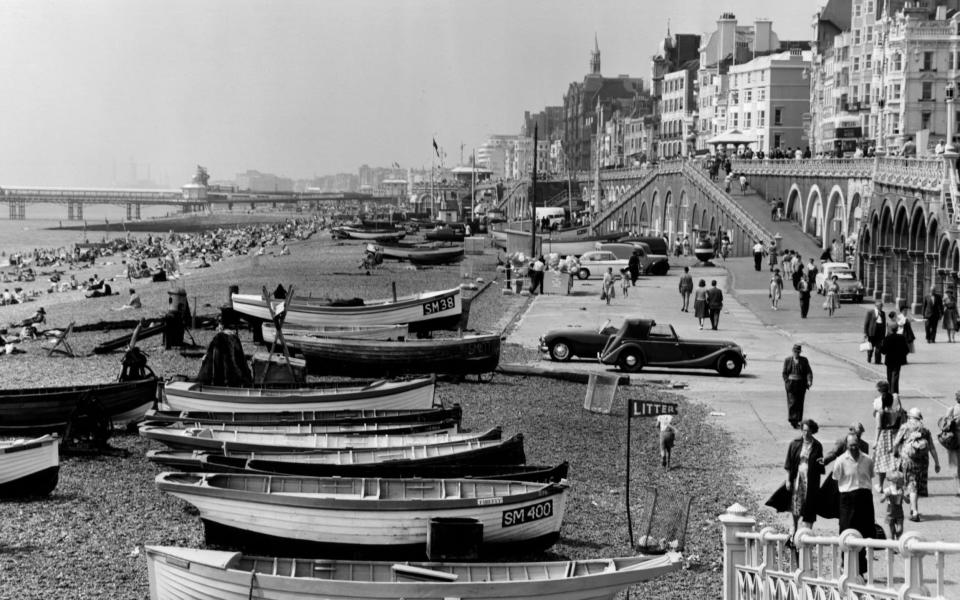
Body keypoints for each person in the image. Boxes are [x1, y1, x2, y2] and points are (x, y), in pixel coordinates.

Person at [832, 432, 876, 577]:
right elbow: (836, 478)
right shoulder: (840, 461)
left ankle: (861, 571)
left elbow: (870, 476)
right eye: (851, 446)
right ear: (847, 446)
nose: (854, 448)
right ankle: (846, 567)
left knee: (864, 533)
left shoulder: (868, 460)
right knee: (847, 532)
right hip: (847, 498)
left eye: (856, 445)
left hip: (864, 497)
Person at [893, 408, 941, 522]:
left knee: (911, 486)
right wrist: (937, 463)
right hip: (922, 462)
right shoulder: (925, 430)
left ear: (909, 417)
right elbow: (932, 448)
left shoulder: (905, 427)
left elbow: (896, 443)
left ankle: (914, 512)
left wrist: (895, 453)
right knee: (915, 486)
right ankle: (913, 508)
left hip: (908, 461)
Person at [784, 419, 824, 539]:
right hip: (797, 477)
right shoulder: (795, 444)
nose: (805, 433)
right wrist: (788, 479)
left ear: (813, 431)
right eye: (803, 430)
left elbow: (820, 466)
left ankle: (807, 530)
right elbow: (789, 464)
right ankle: (794, 527)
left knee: (810, 504)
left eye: (808, 430)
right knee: (796, 501)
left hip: (811, 479)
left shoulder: (817, 446)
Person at [872, 380, 903, 489]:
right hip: (896, 434)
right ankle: (895, 484)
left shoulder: (878, 405)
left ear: (879, 390)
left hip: (884, 436)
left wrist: (875, 441)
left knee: (881, 460)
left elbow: (878, 427)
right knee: (896, 461)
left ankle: (880, 485)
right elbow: (901, 410)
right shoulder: (896, 398)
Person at [782, 344, 813, 428]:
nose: (796, 353)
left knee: (799, 402)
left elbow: (808, 372)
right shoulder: (787, 360)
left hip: (801, 384)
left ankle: (798, 419)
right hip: (791, 384)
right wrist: (787, 382)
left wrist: (809, 380)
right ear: (793, 351)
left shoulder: (804, 360)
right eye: (795, 352)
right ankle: (793, 420)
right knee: (792, 402)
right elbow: (784, 373)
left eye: (798, 352)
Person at [881, 319, 909, 394]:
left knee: (889, 376)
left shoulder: (887, 338)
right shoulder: (901, 338)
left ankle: (890, 391)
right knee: (895, 376)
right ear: (897, 329)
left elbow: (883, 351)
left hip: (889, 360)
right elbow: (906, 350)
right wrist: (902, 355)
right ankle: (895, 392)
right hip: (898, 360)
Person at [879, 471, 906, 541]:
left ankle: (897, 537)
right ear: (896, 481)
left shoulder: (901, 490)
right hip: (890, 513)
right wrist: (885, 496)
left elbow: (908, 501)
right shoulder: (888, 490)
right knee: (892, 531)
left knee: (900, 530)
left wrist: (903, 496)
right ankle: (892, 547)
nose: (904, 482)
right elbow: (881, 500)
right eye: (902, 481)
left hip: (899, 513)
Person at [943, 391, 960, 496]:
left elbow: (945, 426)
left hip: (956, 438)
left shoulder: (952, 409)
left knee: (958, 465)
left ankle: (959, 489)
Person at [863, 300, 887, 364]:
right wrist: (865, 333)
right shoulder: (870, 312)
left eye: (882, 305)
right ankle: (869, 357)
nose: (881, 307)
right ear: (876, 306)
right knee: (871, 347)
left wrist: (884, 334)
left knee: (878, 347)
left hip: (880, 332)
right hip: (872, 332)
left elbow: (884, 324)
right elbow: (866, 323)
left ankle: (878, 361)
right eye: (880, 305)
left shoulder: (883, 313)